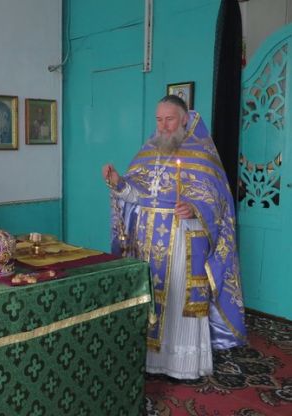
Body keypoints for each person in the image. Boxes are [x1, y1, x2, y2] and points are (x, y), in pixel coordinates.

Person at [102, 95, 247, 380]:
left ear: (184, 119)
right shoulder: (148, 151)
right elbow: (136, 196)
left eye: (169, 119)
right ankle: (149, 361)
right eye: (159, 119)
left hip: (183, 240)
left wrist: (194, 208)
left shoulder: (203, 154)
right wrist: (119, 183)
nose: (164, 126)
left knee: (179, 295)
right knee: (151, 296)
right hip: (147, 240)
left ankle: (182, 366)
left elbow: (219, 204)